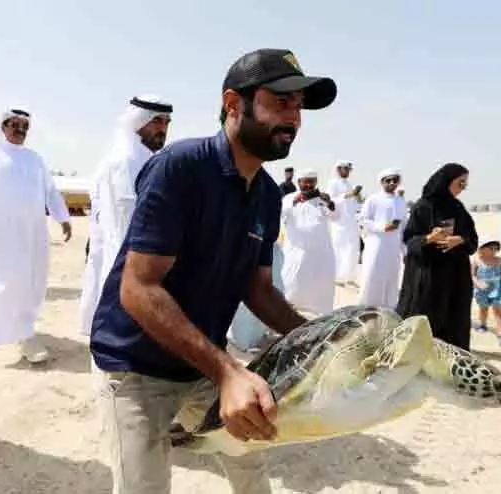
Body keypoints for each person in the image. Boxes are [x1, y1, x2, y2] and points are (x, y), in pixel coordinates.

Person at [90, 48, 337, 494]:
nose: (294, 118)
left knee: (251, 470)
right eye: (280, 101)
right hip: (135, 367)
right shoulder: (180, 168)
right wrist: (227, 373)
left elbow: (258, 289)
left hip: (200, 361)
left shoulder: (264, 194)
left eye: (299, 106)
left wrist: (316, 341)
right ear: (232, 103)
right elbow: (138, 288)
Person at [0, 106, 72, 363]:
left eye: (25, 127)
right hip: (0, 232)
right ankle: (10, 332)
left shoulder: (35, 158)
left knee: (32, 279)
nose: (20, 131)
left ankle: (25, 332)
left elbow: (50, 191)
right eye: (15, 125)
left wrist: (63, 218)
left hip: (32, 231)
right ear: (3, 127)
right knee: (6, 280)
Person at [77, 95, 173, 337]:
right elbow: (126, 220)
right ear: (137, 122)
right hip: (126, 258)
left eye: (166, 122)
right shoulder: (124, 160)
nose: (163, 128)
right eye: (156, 121)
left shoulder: (145, 158)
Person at [395, 163, 478, 351]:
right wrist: (429, 238)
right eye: (460, 182)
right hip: (428, 276)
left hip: (455, 278)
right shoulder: (423, 207)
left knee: (453, 325)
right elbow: (410, 240)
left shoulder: (458, 208)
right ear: (446, 182)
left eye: (465, 183)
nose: (463, 187)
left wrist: (460, 240)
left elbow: (473, 241)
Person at [280, 170, 339, 314]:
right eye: (305, 181)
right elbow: (281, 214)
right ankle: (289, 310)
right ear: (298, 182)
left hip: (320, 253)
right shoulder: (289, 198)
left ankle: (319, 313)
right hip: (295, 251)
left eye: (311, 181)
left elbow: (336, 217)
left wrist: (329, 203)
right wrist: (295, 201)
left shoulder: (322, 199)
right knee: (292, 281)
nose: (308, 184)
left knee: (319, 284)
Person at [357, 168, 408, 308]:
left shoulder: (401, 201)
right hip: (376, 244)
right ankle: (367, 307)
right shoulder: (373, 200)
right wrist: (383, 227)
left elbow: (404, 227)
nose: (392, 183)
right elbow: (363, 220)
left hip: (394, 246)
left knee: (391, 277)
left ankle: (388, 307)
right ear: (382, 182)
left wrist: (405, 250)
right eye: (388, 180)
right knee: (372, 275)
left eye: (395, 180)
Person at [325, 160, 362, 287]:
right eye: (344, 169)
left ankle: (349, 277)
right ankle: (337, 277)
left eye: (348, 169)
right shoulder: (333, 183)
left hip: (351, 222)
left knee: (352, 249)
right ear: (338, 169)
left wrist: (355, 196)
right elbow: (329, 200)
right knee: (339, 249)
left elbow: (353, 204)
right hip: (338, 223)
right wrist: (347, 195)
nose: (346, 171)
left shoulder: (349, 184)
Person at [472, 239, 501, 346]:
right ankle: (483, 324)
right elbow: (473, 275)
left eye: (496, 249)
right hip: (482, 289)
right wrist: (478, 283)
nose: (494, 251)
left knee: (497, 309)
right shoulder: (477, 261)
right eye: (491, 248)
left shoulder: (499, 260)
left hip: (497, 288)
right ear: (482, 249)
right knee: (483, 309)